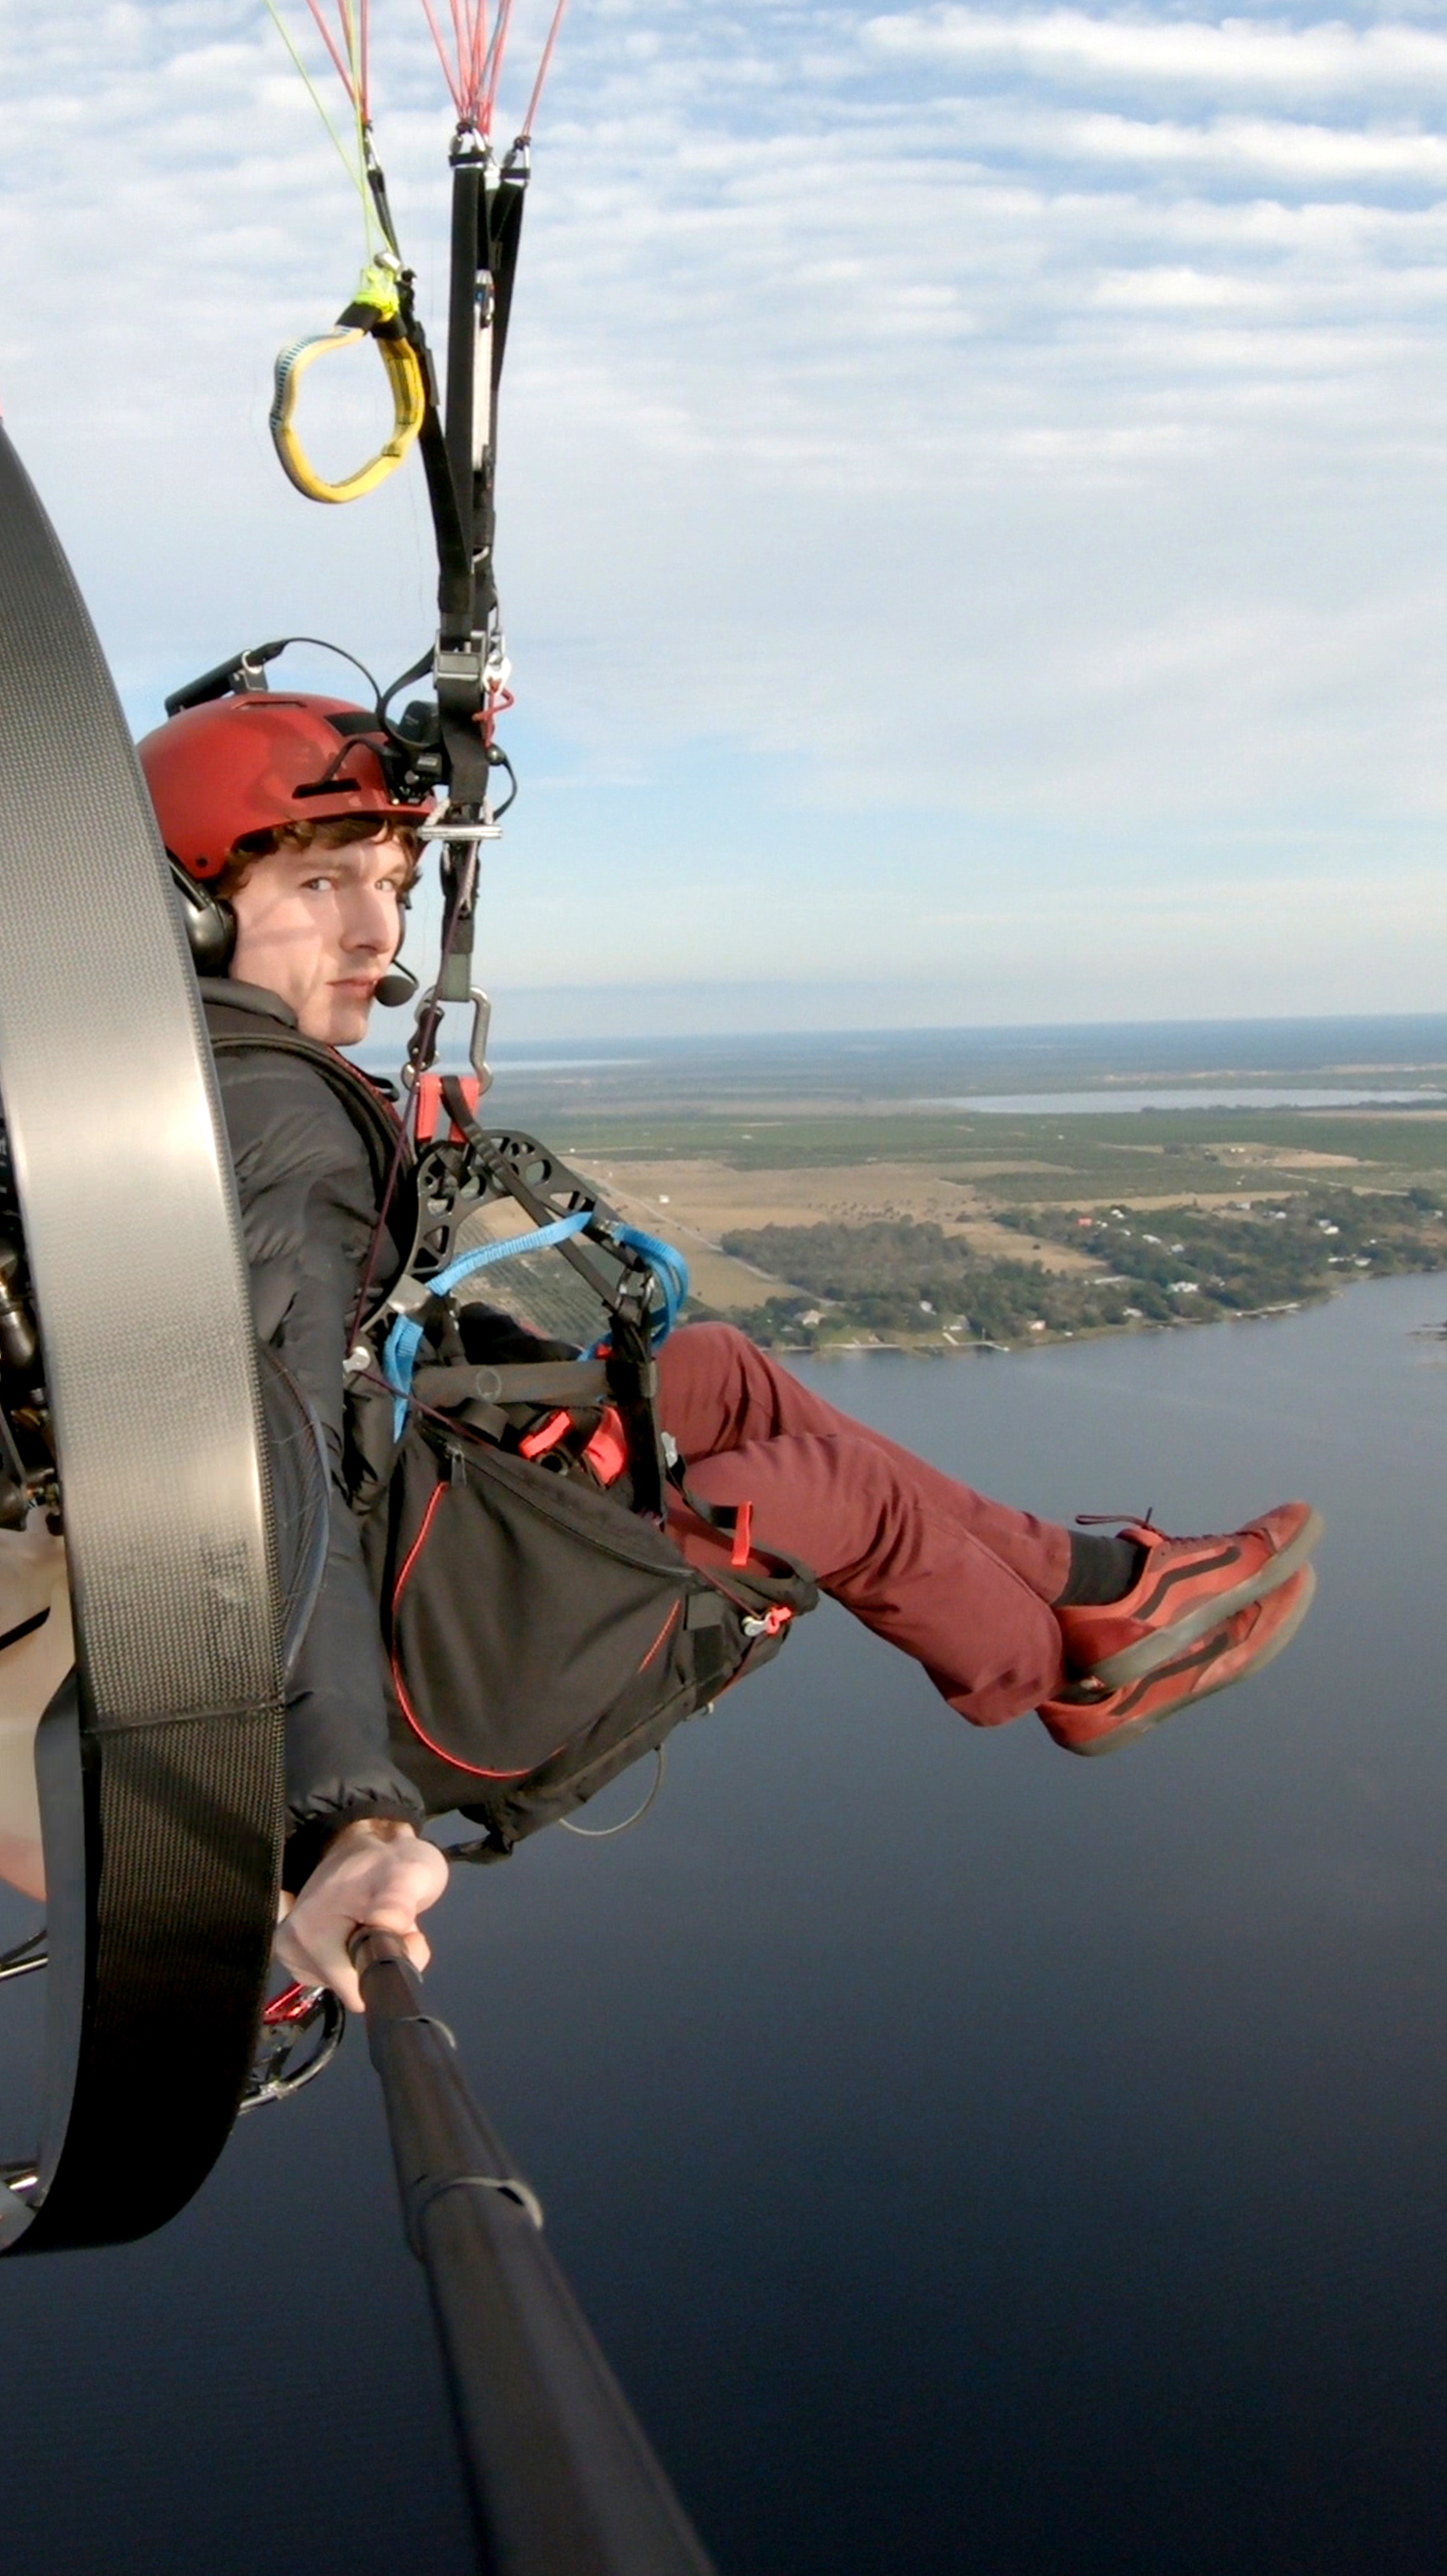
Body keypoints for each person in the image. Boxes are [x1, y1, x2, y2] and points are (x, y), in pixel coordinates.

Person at [141, 690, 1322, 2012]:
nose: (379, 933)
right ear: (190, 908)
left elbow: (300, 1364)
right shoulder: (278, 1131)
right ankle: (1064, 1676)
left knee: (710, 1375)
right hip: (412, 1676)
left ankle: (1104, 1583)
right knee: (834, 1499)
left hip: (399, 1546)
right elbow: (266, 1465)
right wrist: (340, 1815)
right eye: (322, 882)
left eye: (393, 880)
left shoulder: (179, 1081)